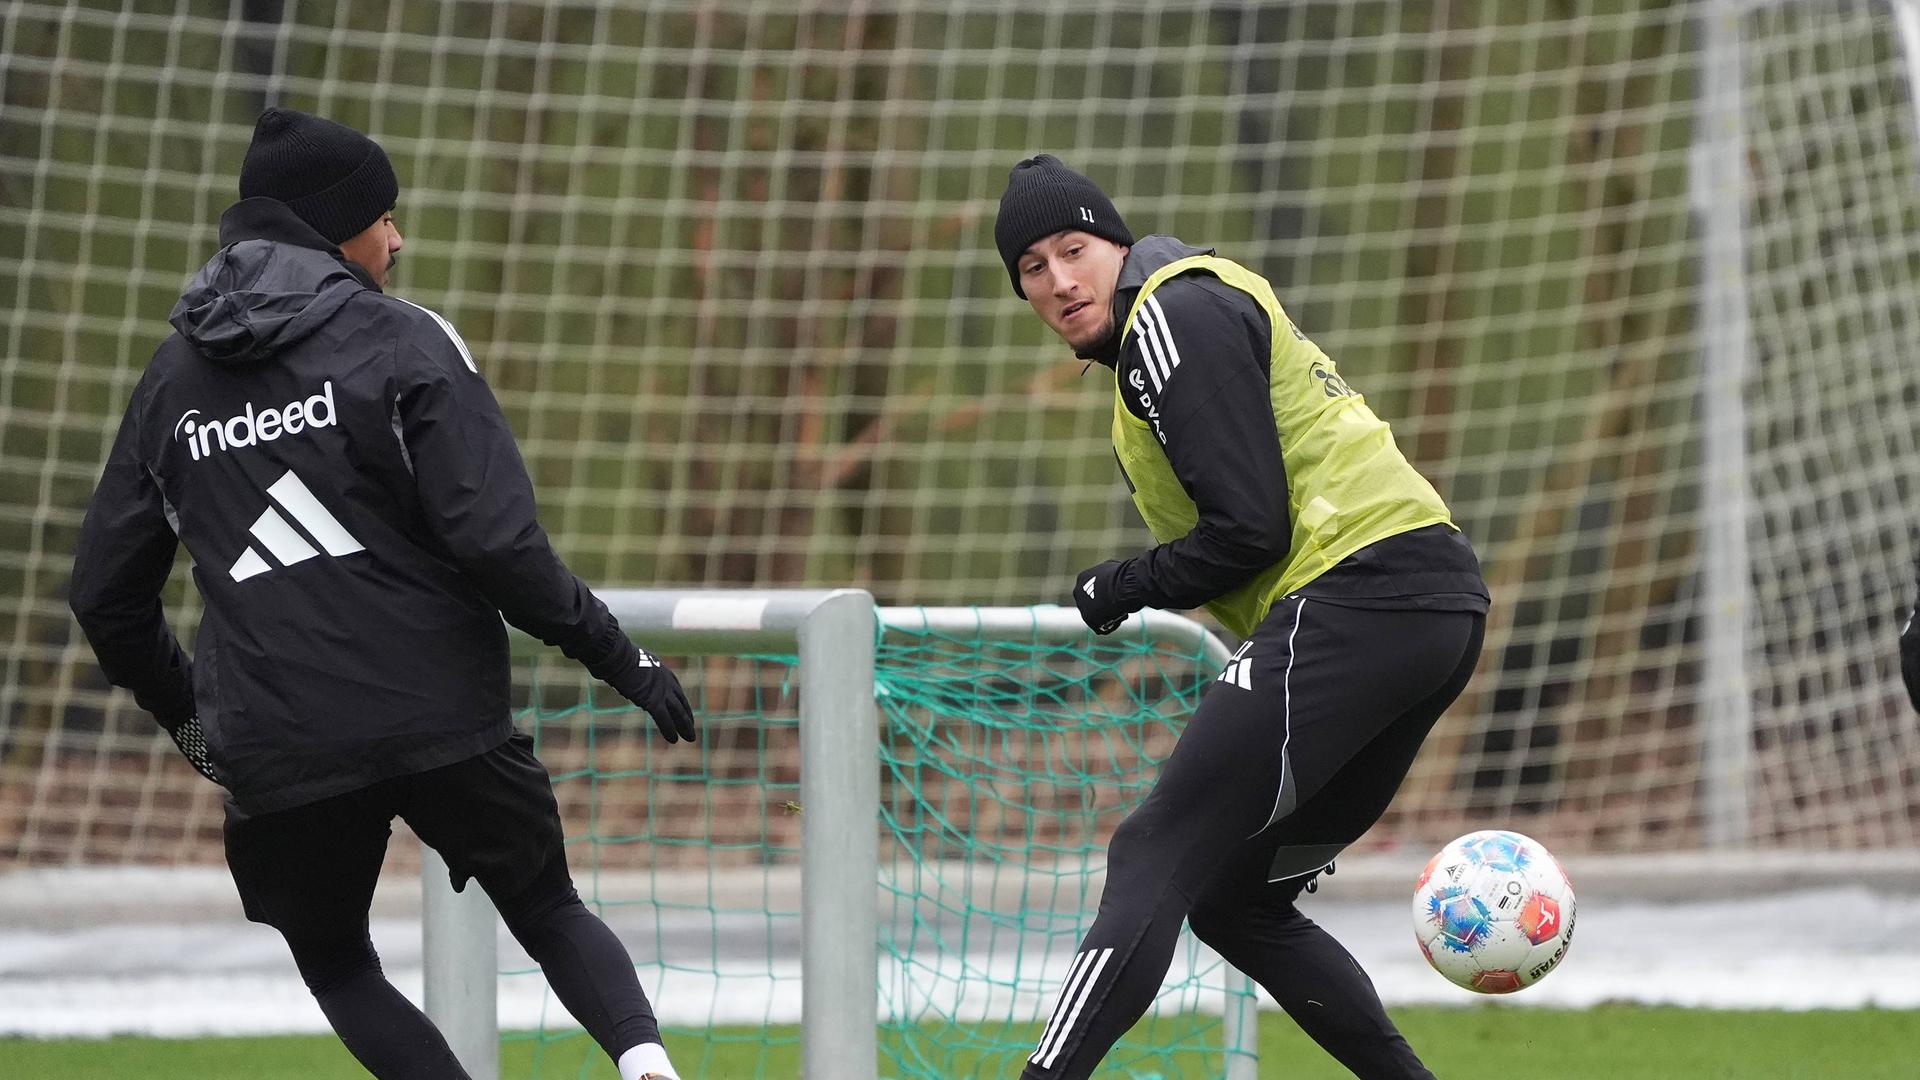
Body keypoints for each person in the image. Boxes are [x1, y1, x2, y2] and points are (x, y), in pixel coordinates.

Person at [68, 108, 692, 1080]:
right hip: (440, 716)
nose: (396, 238)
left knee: (340, 964)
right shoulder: (400, 339)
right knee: (547, 909)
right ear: (332, 226)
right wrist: (625, 660)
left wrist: (200, 726)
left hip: (280, 746)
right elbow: (498, 543)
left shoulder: (170, 384)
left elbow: (105, 597)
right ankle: (648, 1066)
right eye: (384, 216)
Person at [993, 155, 1490, 1080]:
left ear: (1118, 243)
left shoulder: (1168, 316)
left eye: (1074, 249)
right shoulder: (1185, 313)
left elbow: (1249, 531)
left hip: (1361, 595)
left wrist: (1121, 585)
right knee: (1234, 898)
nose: (1060, 280)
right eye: (1032, 269)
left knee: (1153, 844)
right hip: (1432, 608)